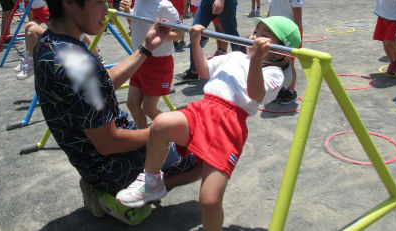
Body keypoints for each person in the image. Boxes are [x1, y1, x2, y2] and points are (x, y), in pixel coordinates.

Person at [33, 0, 199, 225]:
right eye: (99, 3)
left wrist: (144, 50)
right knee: (200, 154)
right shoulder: (77, 65)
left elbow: (101, 81)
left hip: (85, 156)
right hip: (105, 163)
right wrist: (163, 132)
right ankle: (122, 196)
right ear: (70, 3)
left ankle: (106, 187)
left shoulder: (49, 42)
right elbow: (108, 143)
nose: (106, 9)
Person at [116, 16, 300, 231]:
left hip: (229, 125)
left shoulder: (274, 73)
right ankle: (152, 180)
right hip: (204, 108)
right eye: (255, 31)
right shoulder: (234, 57)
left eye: (264, 37)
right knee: (162, 123)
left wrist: (258, 59)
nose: (255, 37)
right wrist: (195, 41)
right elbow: (204, 71)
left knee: (209, 201)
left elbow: (255, 93)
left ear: (282, 53)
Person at [119, 0, 182, 129]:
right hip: (139, 59)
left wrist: (160, 35)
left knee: (148, 107)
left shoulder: (165, 6)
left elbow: (179, 34)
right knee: (132, 104)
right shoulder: (138, 0)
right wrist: (129, 15)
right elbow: (137, 26)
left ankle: (177, 129)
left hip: (158, 63)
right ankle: (143, 136)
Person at [267, 0, 306, 104]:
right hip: (274, 35)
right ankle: (279, 89)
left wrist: (299, 41)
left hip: (288, 36)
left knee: (289, 64)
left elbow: (298, 19)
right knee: (275, 63)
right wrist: (262, 30)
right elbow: (270, 13)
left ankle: (290, 91)